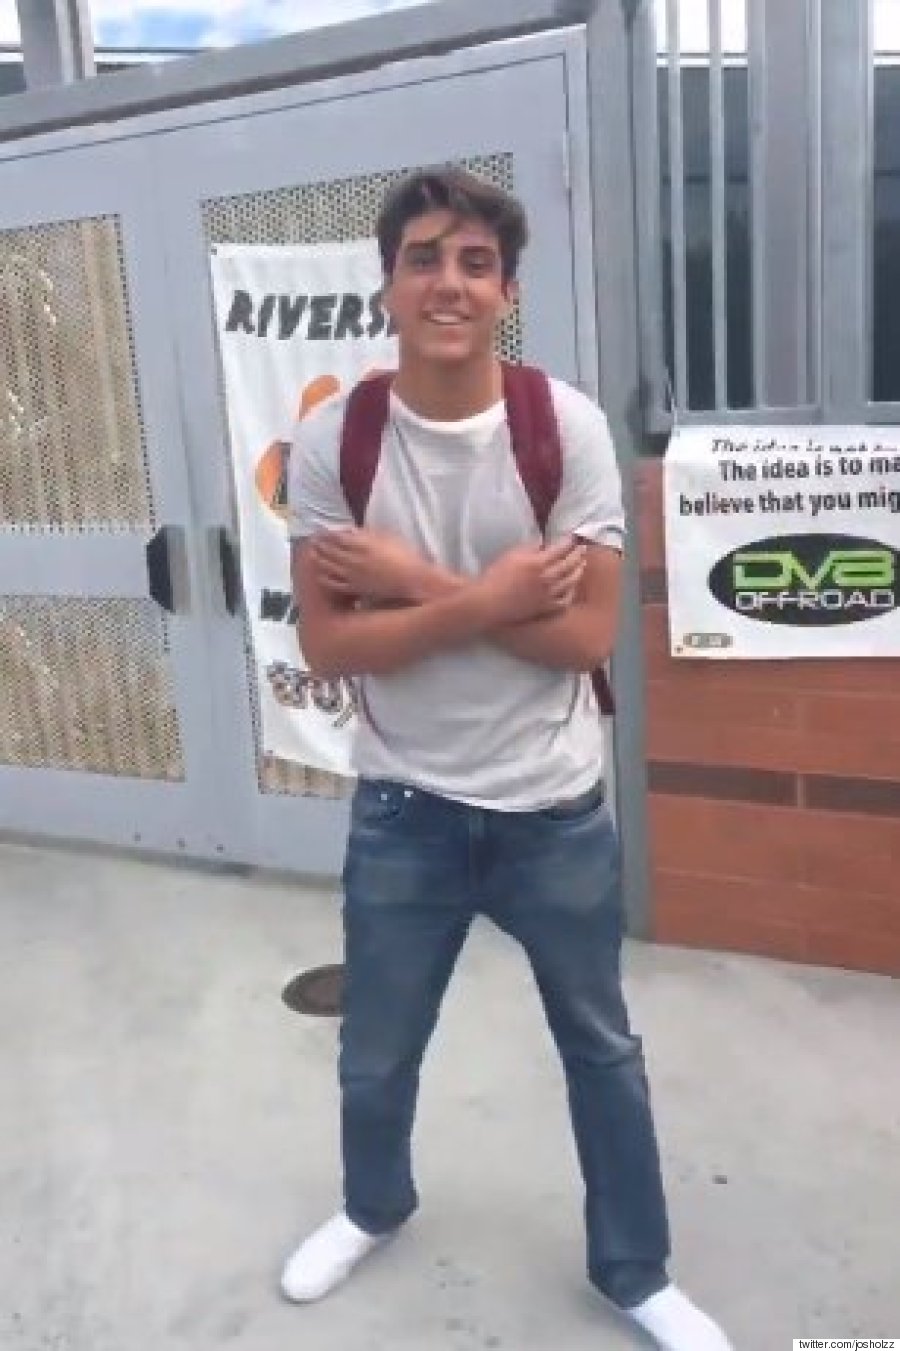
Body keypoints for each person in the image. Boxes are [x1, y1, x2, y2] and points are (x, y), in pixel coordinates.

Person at [284, 167, 732, 1351]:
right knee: (376, 1051)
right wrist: (490, 599)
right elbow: (329, 644)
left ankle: (636, 1271)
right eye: (424, 258)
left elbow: (582, 639)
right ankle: (372, 1207)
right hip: (404, 809)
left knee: (602, 1049)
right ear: (388, 285)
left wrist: (411, 583)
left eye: (476, 263)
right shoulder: (337, 441)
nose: (450, 282)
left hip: (553, 811)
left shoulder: (563, 428)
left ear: (507, 292)